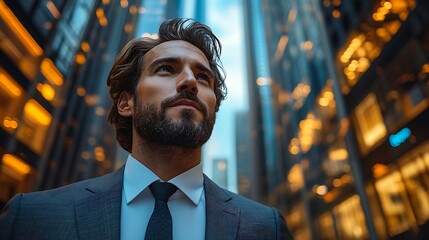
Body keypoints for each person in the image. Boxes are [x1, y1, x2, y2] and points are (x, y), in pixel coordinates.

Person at [0, 18, 294, 240]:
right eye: (166, 69)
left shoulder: (266, 227)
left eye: (204, 78)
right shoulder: (30, 217)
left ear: (213, 107)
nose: (190, 81)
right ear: (126, 103)